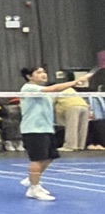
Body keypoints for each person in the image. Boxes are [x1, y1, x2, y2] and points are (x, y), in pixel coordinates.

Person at [18, 65, 85, 200]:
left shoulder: (45, 92)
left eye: (44, 72)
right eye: (38, 72)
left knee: (50, 157)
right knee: (37, 159)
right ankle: (34, 189)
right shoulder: (29, 88)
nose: (43, 74)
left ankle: (32, 179)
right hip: (33, 129)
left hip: (47, 128)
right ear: (29, 76)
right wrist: (75, 82)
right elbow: (53, 88)